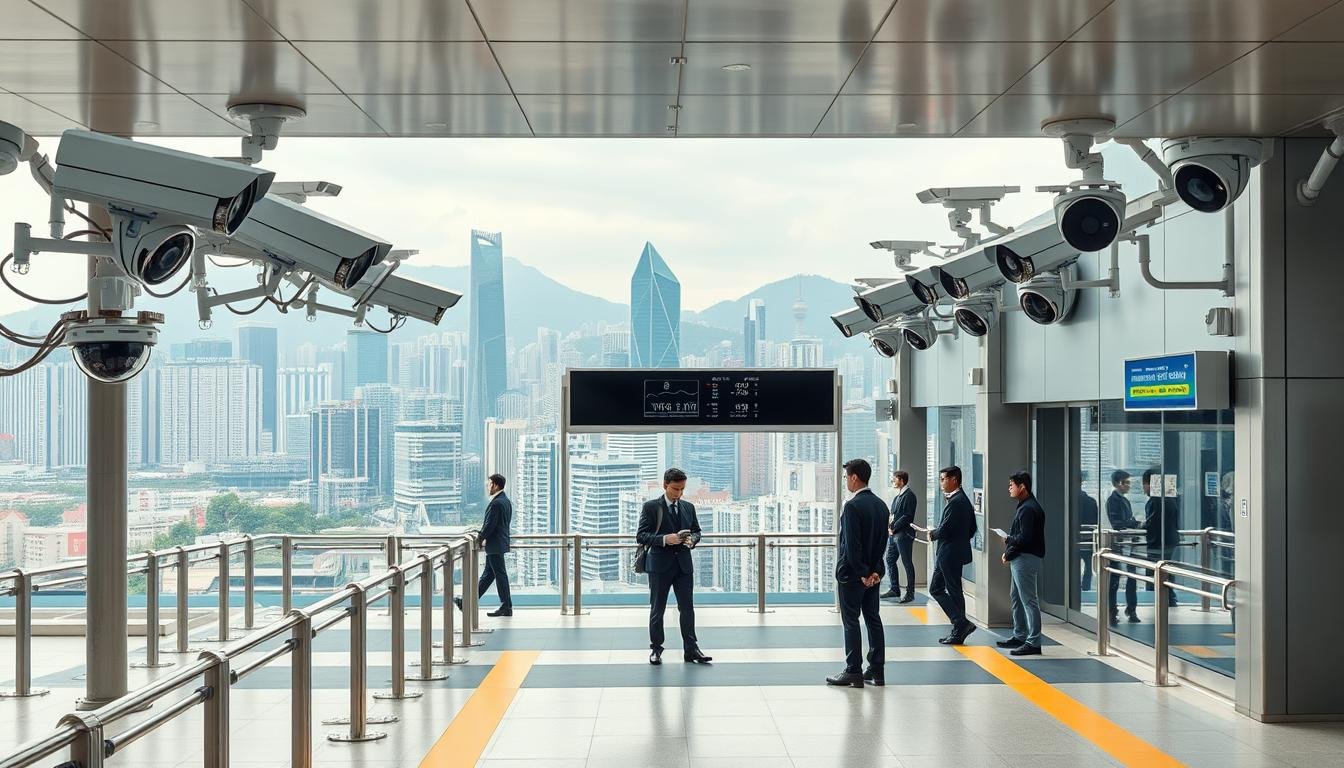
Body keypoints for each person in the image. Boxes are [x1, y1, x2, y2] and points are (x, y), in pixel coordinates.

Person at [636, 468, 712, 666]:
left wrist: (691, 541)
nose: (679, 493)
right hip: (660, 566)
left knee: (687, 608)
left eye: (682, 489)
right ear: (665, 485)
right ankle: (656, 649)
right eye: (676, 489)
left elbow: (697, 531)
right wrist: (664, 539)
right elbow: (641, 536)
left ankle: (691, 649)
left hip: (684, 566)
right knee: (657, 609)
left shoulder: (688, 507)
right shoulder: (651, 507)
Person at [827, 459, 889, 688]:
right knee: (873, 619)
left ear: (854, 477)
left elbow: (850, 547)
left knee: (851, 621)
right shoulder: (882, 505)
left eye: (846, 478)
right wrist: (875, 572)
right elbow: (882, 543)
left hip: (853, 576)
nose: (846, 482)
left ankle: (853, 670)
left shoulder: (852, 506)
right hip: (873, 576)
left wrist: (862, 572)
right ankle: (876, 669)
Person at [914, 465, 977, 645]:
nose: (941, 483)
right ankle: (959, 625)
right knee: (944, 588)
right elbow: (972, 528)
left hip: (949, 553)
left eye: (943, 479)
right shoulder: (961, 499)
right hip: (951, 552)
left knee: (944, 589)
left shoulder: (957, 501)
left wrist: (931, 533)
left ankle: (960, 624)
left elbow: (946, 529)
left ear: (954, 480)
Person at [997, 471, 1045, 656]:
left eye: (1011, 485)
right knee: (1016, 597)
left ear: (1022, 486)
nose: (1009, 488)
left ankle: (1033, 642)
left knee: (1029, 600)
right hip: (1020, 557)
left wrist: (1008, 542)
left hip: (1026, 558)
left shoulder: (1028, 508)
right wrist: (1009, 553)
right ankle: (1019, 635)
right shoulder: (1025, 506)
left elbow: (1025, 538)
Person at [456, 473, 514, 617]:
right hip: (499, 543)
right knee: (489, 575)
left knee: (500, 575)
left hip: (495, 545)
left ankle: (506, 606)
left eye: (489, 484)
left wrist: (480, 537)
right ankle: (467, 602)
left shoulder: (496, 503)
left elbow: (490, 525)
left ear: (495, 485)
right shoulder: (505, 501)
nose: (488, 487)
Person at [1105, 470, 1141, 625]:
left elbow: (1127, 520)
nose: (1129, 486)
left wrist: (1133, 523)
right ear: (1119, 483)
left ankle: (1131, 609)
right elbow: (1117, 523)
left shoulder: (1124, 500)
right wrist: (1133, 523)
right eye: (1127, 482)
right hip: (1119, 545)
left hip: (1128, 543)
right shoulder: (1113, 500)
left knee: (1131, 577)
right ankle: (1112, 611)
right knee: (1115, 578)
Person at [1142, 468, 1180, 607]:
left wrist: (1141, 525)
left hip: (1158, 543)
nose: (1144, 488)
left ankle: (1167, 598)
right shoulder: (1170, 499)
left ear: (1150, 484)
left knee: (1158, 571)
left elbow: (1152, 523)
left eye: (1144, 484)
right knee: (1166, 569)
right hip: (1171, 540)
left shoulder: (1154, 501)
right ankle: (1170, 598)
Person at [880, 469, 917, 603]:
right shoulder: (897, 497)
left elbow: (907, 516)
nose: (893, 481)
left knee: (907, 563)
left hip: (904, 534)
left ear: (901, 480)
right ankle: (895, 589)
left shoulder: (910, 496)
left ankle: (910, 592)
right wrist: (889, 527)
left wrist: (893, 527)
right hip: (894, 534)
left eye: (894, 479)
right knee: (890, 560)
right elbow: (893, 515)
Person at [1076, 477, 1098, 592]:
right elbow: (1095, 522)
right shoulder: (1091, 501)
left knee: (1073, 565)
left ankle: (1073, 589)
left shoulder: (1069, 501)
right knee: (1089, 566)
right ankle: (1085, 588)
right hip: (1088, 540)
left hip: (1073, 540)